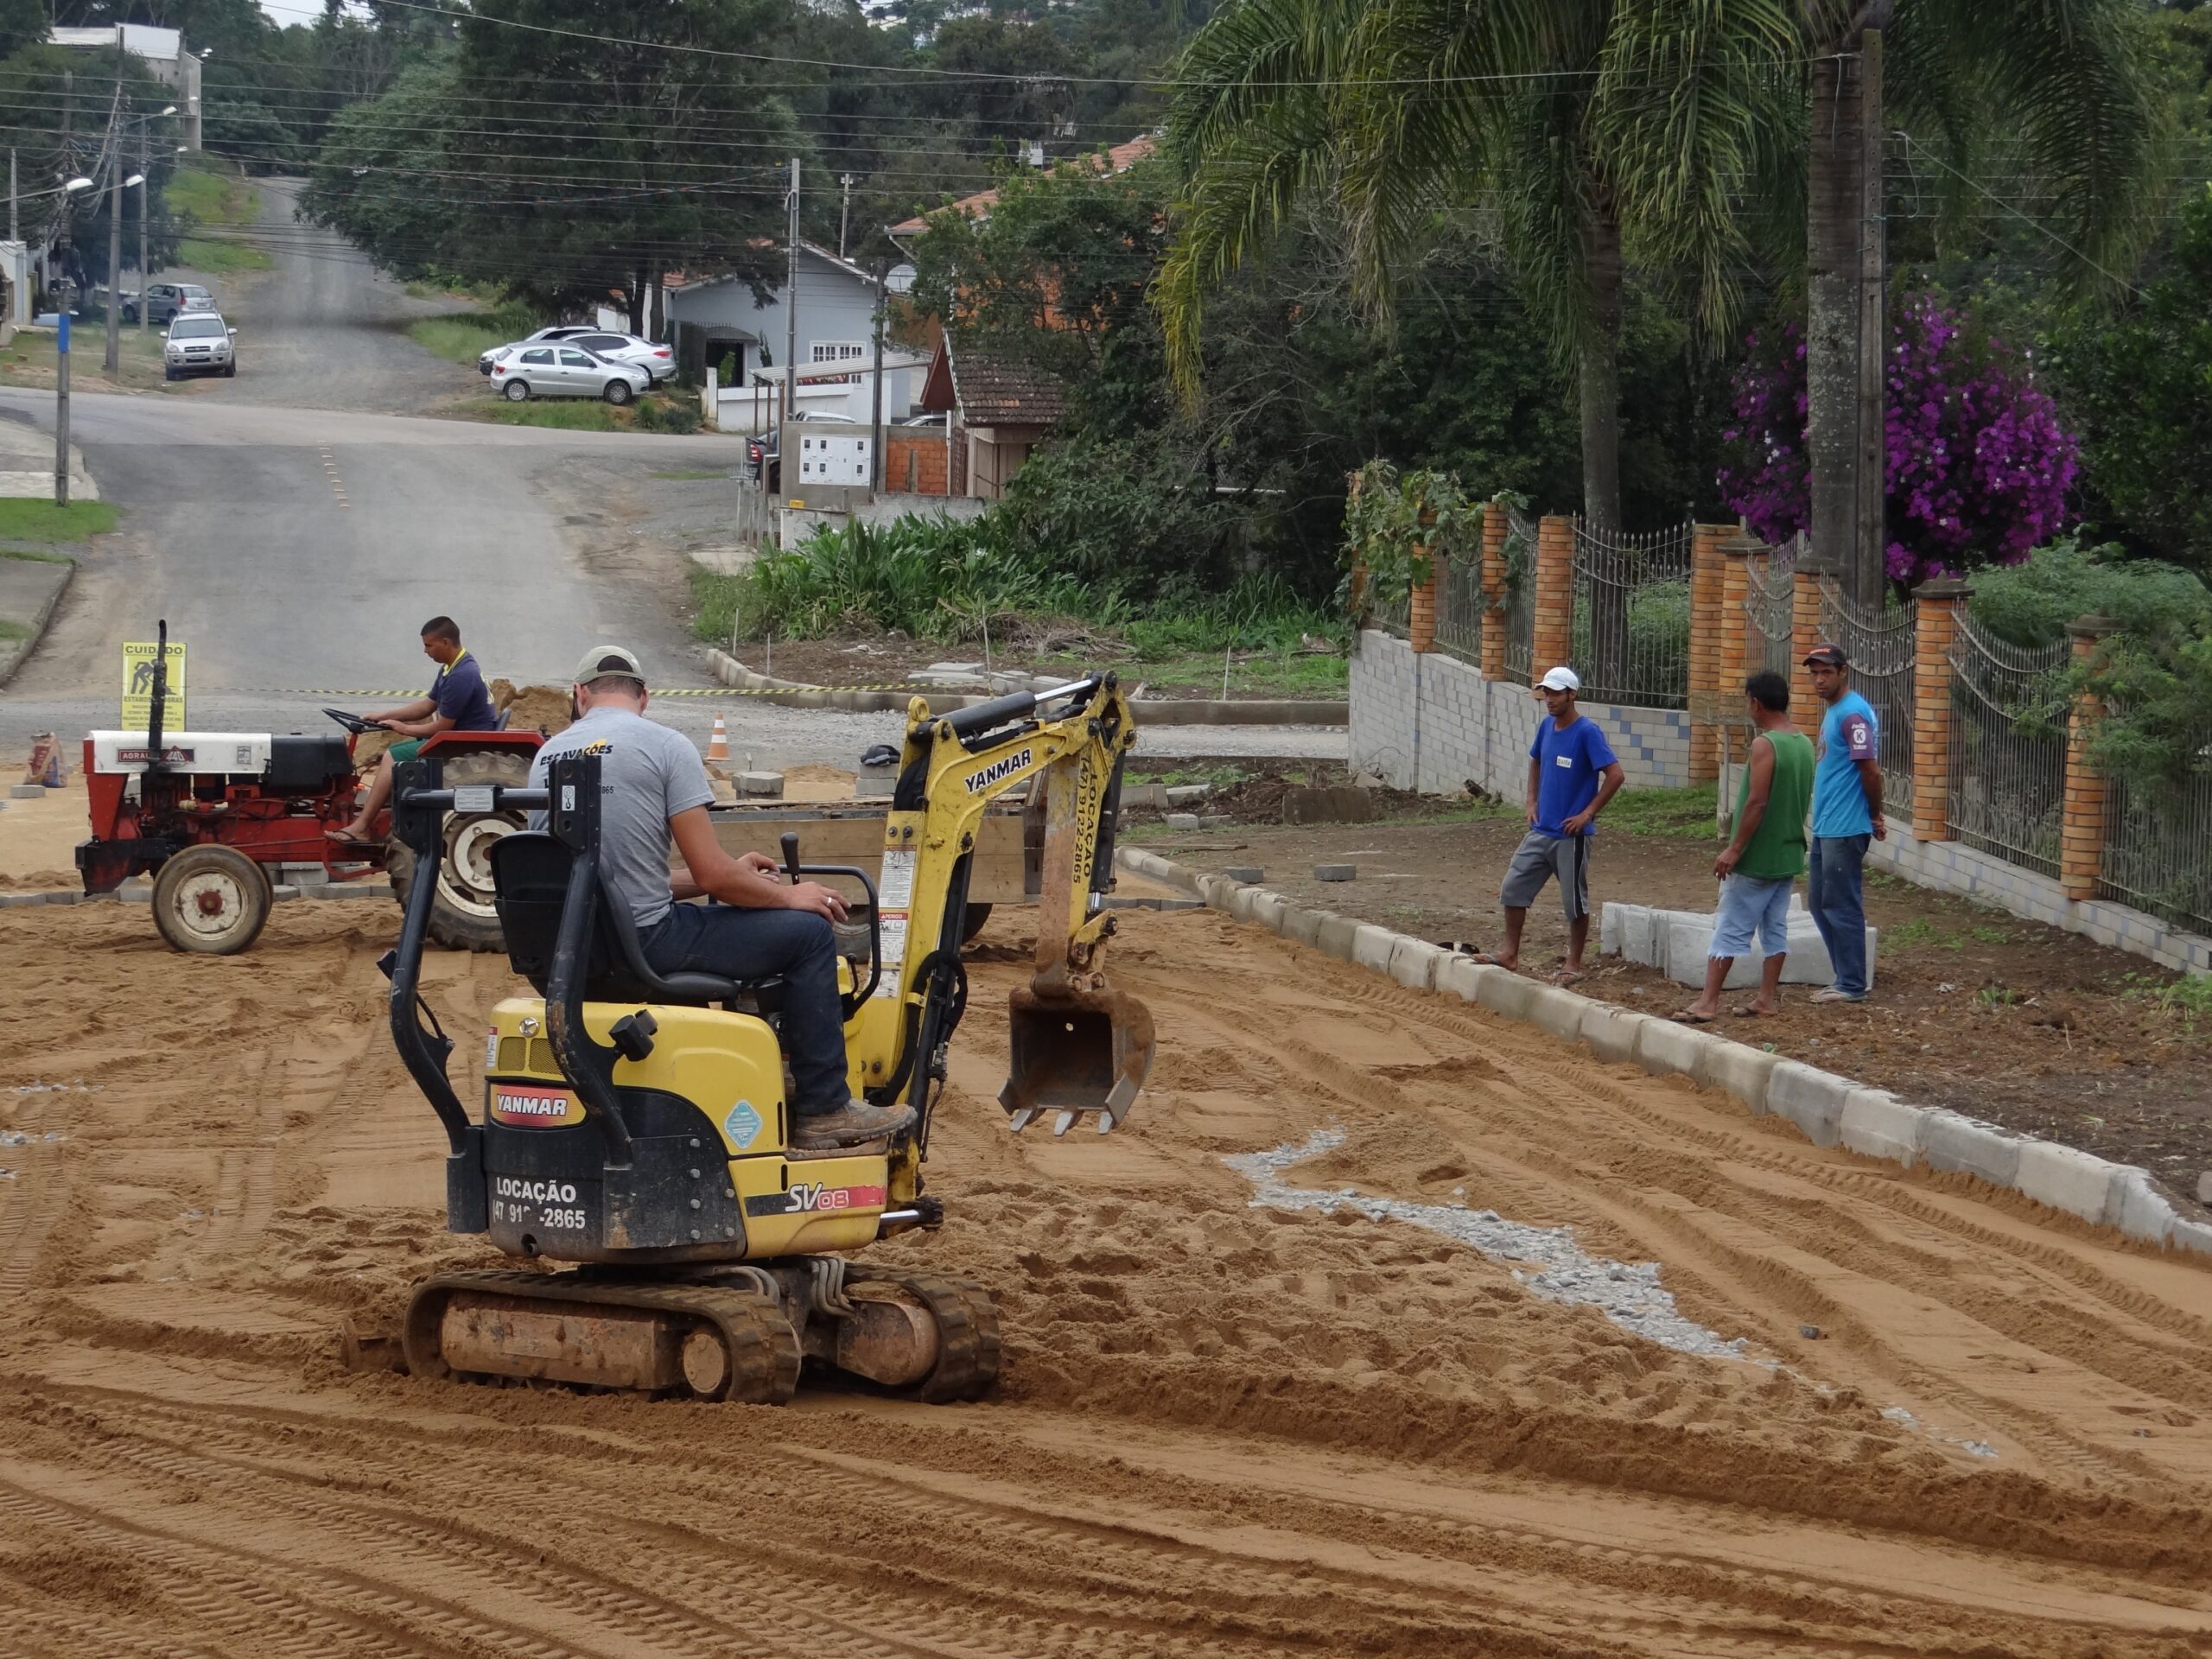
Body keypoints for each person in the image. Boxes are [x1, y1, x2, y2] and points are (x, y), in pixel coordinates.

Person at [530, 645, 912, 1150]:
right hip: (646, 942)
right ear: (644, 697)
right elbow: (715, 878)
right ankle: (825, 1106)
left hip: (571, 951)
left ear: (580, 697)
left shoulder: (546, 756)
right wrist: (791, 895)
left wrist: (729, 874)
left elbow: (605, 878)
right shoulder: (664, 746)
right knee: (810, 936)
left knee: (721, 916)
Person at [1675, 671, 1815, 1023]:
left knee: (1730, 926)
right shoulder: (1803, 743)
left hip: (1758, 857)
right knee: (1775, 928)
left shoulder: (1765, 745)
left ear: (1755, 702)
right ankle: (1766, 998)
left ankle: (1708, 1002)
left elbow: (1757, 802)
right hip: (1787, 854)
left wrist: (1734, 849)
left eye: (1746, 700)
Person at [1477, 665, 1625, 983]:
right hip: (1541, 830)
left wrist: (1587, 814)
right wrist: (1531, 801)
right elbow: (1536, 760)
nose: (1550, 699)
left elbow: (1615, 775)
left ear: (1573, 695)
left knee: (1574, 902)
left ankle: (1574, 963)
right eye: (1546, 692)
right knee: (1513, 888)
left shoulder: (1587, 732)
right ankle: (1510, 953)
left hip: (1571, 836)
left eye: (1556, 693)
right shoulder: (1546, 727)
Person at [329, 615, 499, 847]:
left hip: (462, 742)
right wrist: (384, 716)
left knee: (393, 756)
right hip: (457, 736)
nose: (425, 651)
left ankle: (362, 826)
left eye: (429, 645)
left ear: (446, 643)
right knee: (396, 752)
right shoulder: (453, 667)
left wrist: (404, 729)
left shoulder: (461, 675)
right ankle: (384, 815)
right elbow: (427, 706)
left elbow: (442, 726)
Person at [1804, 643, 1885, 1004]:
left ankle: (1852, 983)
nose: (1819, 680)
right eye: (1814, 673)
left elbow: (1870, 770)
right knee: (1820, 903)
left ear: (1843, 672)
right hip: (1827, 825)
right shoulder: (1836, 710)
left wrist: (1874, 814)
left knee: (1841, 904)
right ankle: (1844, 977)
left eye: (1826, 672)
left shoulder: (1852, 714)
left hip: (1845, 826)